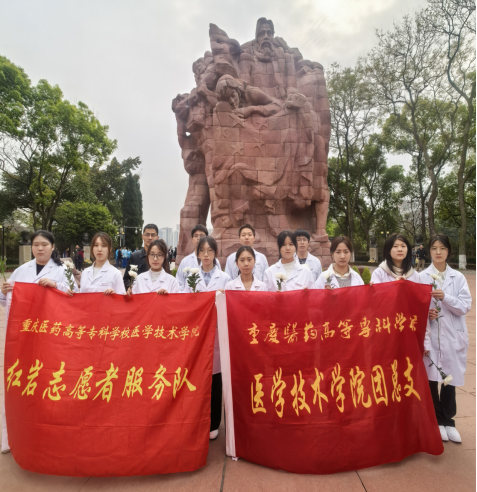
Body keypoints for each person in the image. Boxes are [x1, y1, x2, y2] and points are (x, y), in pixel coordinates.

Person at [0, 230, 76, 454]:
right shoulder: (21, 271)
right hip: (24, 336)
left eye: (44, 244)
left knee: (49, 380)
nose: (40, 248)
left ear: (53, 247)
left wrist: (55, 286)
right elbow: (8, 301)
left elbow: (75, 295)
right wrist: (3, 291)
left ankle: (51, 432)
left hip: (51, 335)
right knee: (20, 381)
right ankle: (11, 436)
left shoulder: (62, 271)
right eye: (36, 245)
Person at [421, 234, 471, 444]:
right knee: (432, 379)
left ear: (448, 251)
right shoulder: (421, 277)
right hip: (432, 336)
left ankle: (449, 421)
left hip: (452, 336)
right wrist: (427, 314)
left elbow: (465, 306)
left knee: (450, 380)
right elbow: (415, 307)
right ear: (429, 251)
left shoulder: (457, 278)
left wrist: (445, 297)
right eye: (434, 248)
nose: (438, 252)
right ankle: (437, 420)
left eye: (442, 248)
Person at [183, 236, 230, 441]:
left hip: (217, 334)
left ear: (215, 253)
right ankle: (196, 420)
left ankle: (213, 423)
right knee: (197, 378)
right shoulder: (191, 277)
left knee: (215, 379)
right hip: (198, 335)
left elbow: (230, 305)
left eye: (210, 250)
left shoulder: (224, 278)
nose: (206, 254)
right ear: (197, 254)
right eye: (202, 250)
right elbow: (185, 304)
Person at [176, 224, 221, 292]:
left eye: (201, 236)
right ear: (192, 239)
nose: (198, 238)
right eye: (196, 236)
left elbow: (219, 280)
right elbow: (179, 283)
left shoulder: (215, 261)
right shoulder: (185, 261)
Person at [123, 224, 159, 290]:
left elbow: (167, 279)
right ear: (142, 236)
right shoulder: (134, 256)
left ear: (157, 237)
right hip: (138, 294)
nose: (150, 237)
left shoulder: (162, 258)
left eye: (153, 235)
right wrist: (129, 288)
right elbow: (126, 279)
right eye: (147, 234)